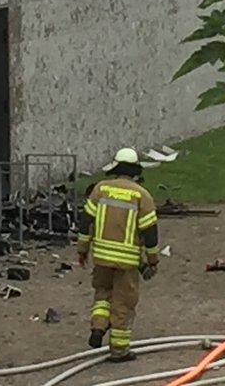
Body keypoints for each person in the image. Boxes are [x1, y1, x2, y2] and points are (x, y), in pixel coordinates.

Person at [77, 148, 159, 363]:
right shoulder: (142, 196)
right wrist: (152, 260)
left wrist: (82, 249)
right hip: (127, 262)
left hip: (101, 257)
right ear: (135, 171)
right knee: (123, 303)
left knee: (102, 294)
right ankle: (119, 351)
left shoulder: (100, 189)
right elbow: (150, 232)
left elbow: (86, 221)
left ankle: (98, 327)